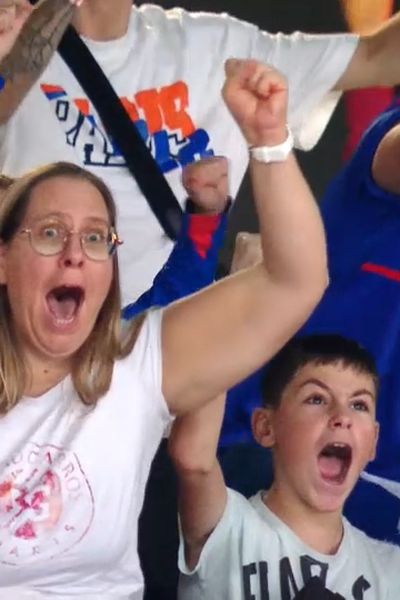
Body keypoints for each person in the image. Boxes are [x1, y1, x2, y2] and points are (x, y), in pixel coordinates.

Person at [0, 58, 327, 597]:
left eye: (96, 238)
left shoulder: (133, 365)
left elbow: (297, 280)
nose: (76, 255)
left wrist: (269, 142)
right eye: (51, 233)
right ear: (4, 260)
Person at [1, 1, 400, 304]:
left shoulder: (215, 46)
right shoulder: (12, 43)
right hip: (27, 348)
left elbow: (379, 56)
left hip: (169, 363)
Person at [170, 334, 400, 599]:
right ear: (266, 427)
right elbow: (193, 458)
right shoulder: (228, 527)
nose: (342, 417)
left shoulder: (390, 571)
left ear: (373, 441)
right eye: (316, 399)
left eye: (359, 404)